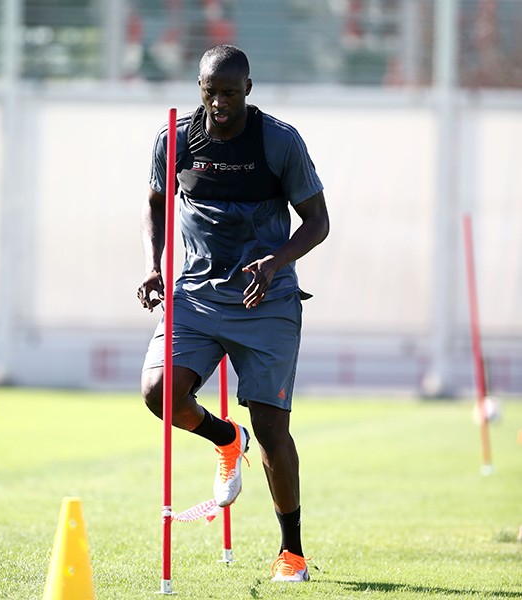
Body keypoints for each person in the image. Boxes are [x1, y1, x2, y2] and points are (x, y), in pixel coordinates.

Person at [137, 44, 329, 582]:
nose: (219, 102)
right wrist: (153, 265)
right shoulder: (174, 138)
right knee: (159, 393)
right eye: (210, 92)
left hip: (264, 300)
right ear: (199, 89)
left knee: (271, 429)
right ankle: (225, 437)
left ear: (248, 88)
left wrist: (275, 262)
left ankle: (291, 552)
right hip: (196, 296)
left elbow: (317, 222)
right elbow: (155, 203)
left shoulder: (279, 141)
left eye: (229, 92)